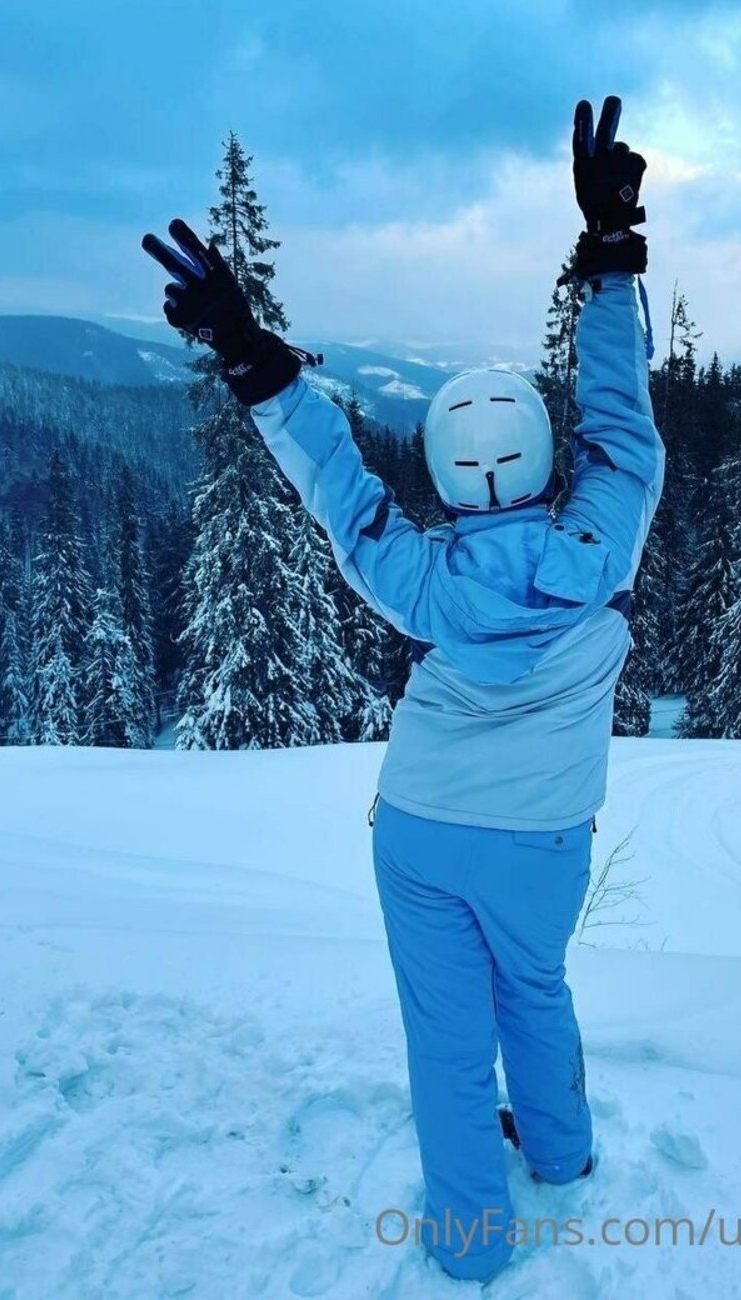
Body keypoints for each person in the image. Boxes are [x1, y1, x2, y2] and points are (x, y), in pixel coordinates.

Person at [143, 95, 664, 1284]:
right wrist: (611, 255)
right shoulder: (602, 549)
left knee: (446, 1038)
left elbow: (338, 486)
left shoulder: (419, 583)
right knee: (536, 985)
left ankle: (471, 1246)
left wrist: (250, 354)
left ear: (443, 468)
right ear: (547, 453)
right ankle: (564, 1154)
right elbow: (625, 428)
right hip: (546, 836)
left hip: (424, 834)